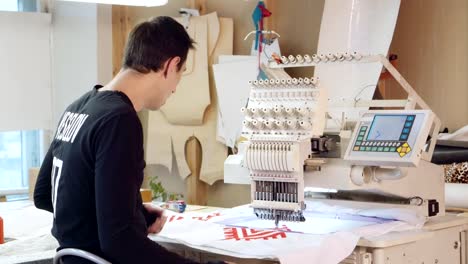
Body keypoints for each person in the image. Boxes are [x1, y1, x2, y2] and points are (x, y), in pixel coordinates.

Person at [34, 16, 226, 264]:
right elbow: (121, 242)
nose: (176, 88)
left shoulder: (79, 106)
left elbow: (44, 195)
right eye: (181, 74)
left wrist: (129, 213)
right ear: (171, 65)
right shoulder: (119, 120)